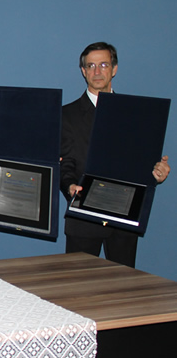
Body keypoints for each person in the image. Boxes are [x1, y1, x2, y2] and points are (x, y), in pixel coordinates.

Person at [60, 41, 170, 267]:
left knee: (124, 284)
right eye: (90, 66)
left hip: (124, 219)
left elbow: (140, 165)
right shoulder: (66, 115)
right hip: (83, 219)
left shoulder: (134, 114)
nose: (97, 71)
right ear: (83, 71)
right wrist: (69, 186)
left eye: (103, 65)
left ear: (114, 69)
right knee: (79, 284)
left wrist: (156, 174)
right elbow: (64, 163)